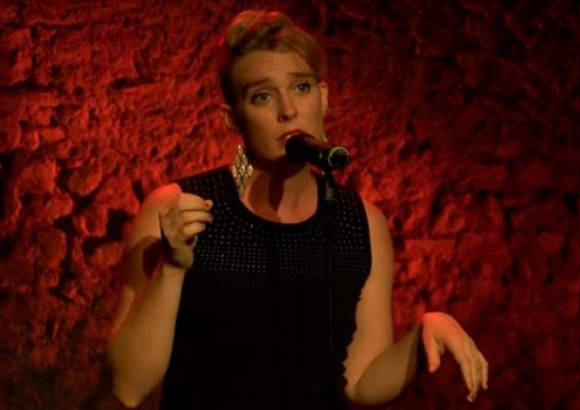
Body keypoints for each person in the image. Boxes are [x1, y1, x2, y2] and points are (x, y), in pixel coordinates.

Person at [107, 10, 488, 409]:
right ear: (232, 119)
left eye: (301, 88)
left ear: (322, 98)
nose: (288, 111)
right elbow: (128, 386)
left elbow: (360, 384)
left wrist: (424, 334)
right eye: (262, 96)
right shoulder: (179, 208)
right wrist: (172, 268)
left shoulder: (360, 221)